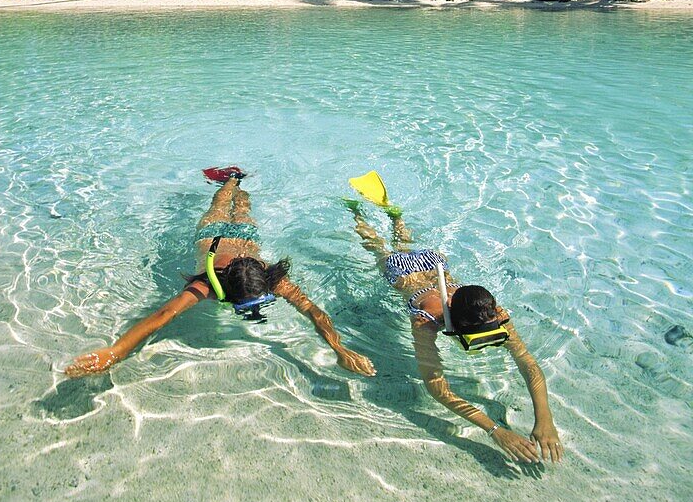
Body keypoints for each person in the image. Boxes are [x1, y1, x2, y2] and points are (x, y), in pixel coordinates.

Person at [66, 167, 375, 378]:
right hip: (212, 233)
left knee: (243, 209)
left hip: (245, 236)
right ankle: (230, 180)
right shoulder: (209, 286)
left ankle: (238, 182)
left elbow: (313, 311)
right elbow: (161, 316)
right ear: (227, 292)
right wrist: (114, 352)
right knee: (222, 202)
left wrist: (339, 347)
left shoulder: (272, 279)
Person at [347, 172, 563, 464]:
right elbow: (436, 387)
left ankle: (392, 214)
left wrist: (544, 418)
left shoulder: (493, 313)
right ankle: (357, 211)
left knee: (399, 244)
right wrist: (494, 430)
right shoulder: (426, 320)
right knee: (379, 247)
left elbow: (528, 364)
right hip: (403, 272)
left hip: (433, 263)